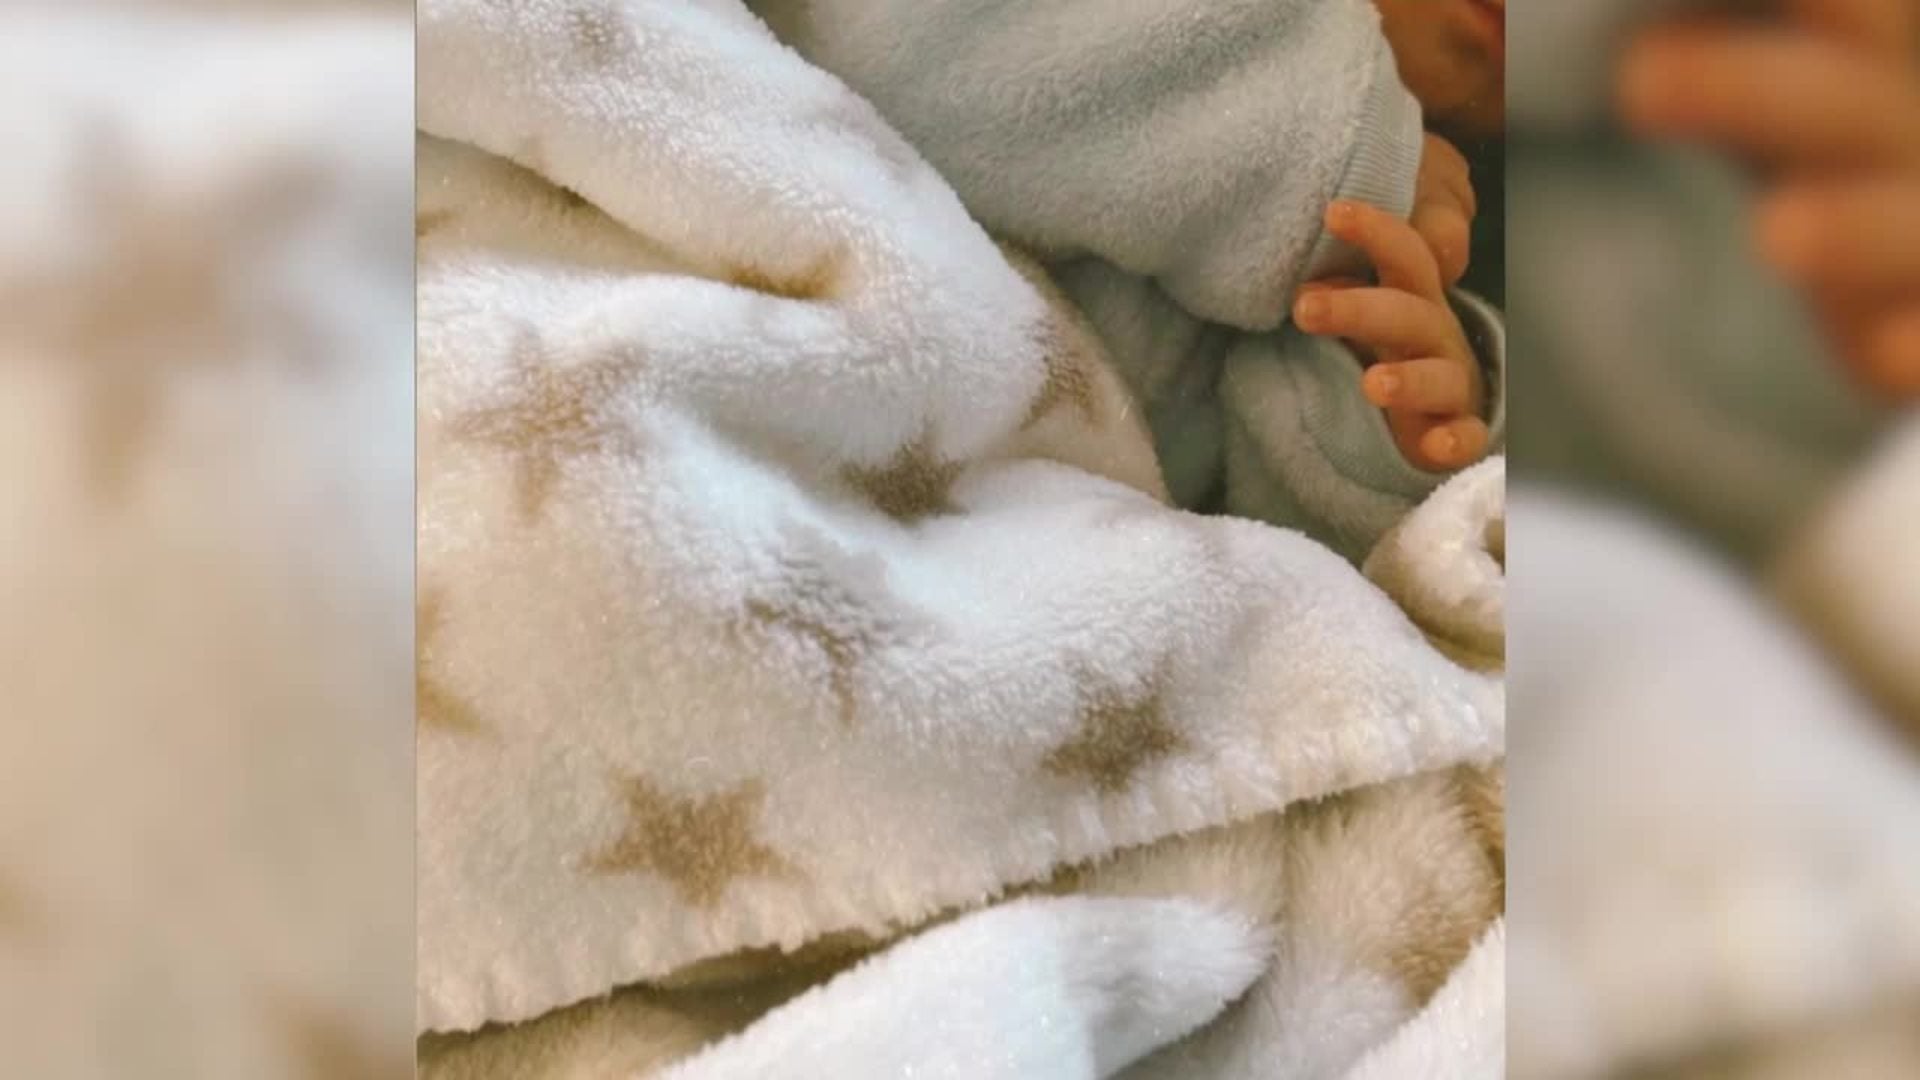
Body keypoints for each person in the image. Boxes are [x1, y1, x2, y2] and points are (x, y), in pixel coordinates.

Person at [750, 0, 1507, 561]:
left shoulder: (1368, 251)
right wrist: (1339, 142)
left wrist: (1385, 429)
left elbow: (1253, 554)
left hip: (975, 572)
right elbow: (884, 36)